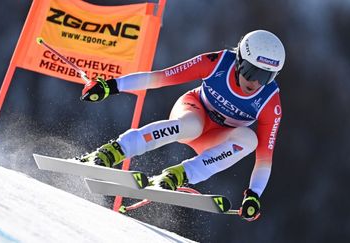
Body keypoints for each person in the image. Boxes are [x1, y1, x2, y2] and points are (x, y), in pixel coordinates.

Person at [79, 30, 285, 221]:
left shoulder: (269, 102)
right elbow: (161, 78)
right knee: (191, 126)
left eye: (266, 77)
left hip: (218, 137)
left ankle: (178, 175)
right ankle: (115, 151)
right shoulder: (217, 63)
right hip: (194, 110)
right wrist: (112, 86)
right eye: (251, 72)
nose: (256, 83)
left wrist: (254, 194)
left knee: (249, 140)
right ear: (240, 60)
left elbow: (265, 158)